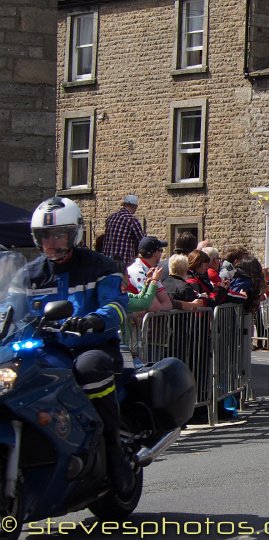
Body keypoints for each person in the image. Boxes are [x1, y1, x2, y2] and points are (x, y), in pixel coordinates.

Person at [24, 197, 134, 495]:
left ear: (74, 234)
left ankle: (113, 451)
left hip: (92, 346)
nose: (50, 241)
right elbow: (10, 309)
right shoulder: (30, 274)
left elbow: (117, 304)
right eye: (45, 235)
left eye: (58, 234)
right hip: (49, 349)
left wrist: (93, 321)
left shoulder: (100, 266)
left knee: (90, 368)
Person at [102, 194, 145, 268]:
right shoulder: (132, 219)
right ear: (134, 207)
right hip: (123, 262)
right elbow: (143, 241)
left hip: (107, 261)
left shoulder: (110, 218)